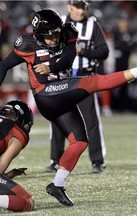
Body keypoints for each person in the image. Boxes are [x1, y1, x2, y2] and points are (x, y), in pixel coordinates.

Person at [0, 9, 137, 206]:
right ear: (38, 35)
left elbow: (68, 59)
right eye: (49, 36)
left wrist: (51, 67)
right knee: (92, 82)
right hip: (45, 95)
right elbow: (4, 65)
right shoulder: (26, 44)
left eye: (56, 33)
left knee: (80, 142)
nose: (54, 38)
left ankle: (57, 185)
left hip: (61, 94)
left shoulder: (68, 33)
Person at [46, 0, 109, 174]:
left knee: (91, 121)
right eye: (78, 7)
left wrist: (84, 51)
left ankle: (98, 161)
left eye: (84, 7)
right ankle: (55, 159)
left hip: (84, 76)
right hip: (63, 78)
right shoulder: (60, 24)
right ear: (69, 7)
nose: (81, 11)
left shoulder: (92, 25)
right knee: (58, 119)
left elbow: (104, 52)